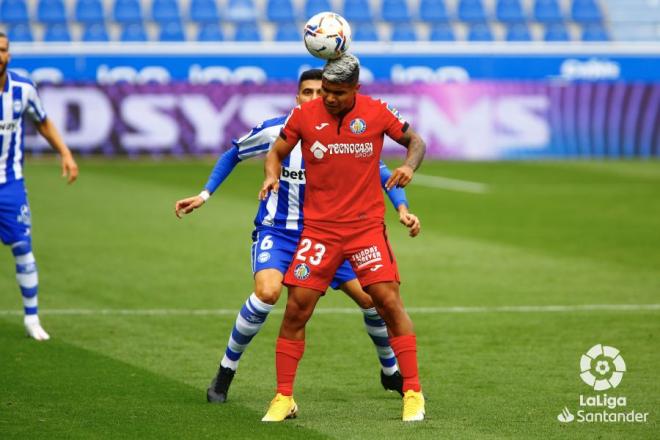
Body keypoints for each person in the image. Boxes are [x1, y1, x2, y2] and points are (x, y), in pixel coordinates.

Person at [174, 69, 421, 404]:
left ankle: (390, 370)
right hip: (280, 231)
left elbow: (378, 171)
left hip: (331, 232)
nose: (317, 98)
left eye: (322, 92)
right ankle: (226, 371)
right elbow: (233, 153)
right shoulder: (278, 130)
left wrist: (402, 208)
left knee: (371, 299)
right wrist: (204, 195)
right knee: (267, 293)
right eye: (308, 92)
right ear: (297, 97)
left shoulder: (344, 131)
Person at [259, 54, 427, 422]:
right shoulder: (304, 115)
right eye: (326, 92)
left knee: (387, 303)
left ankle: (413, 391)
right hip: (319, 232)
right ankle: (283, 397)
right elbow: (276, 152)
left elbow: (415, 141)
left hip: (365, 229)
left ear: (356, 89)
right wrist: (271, 175)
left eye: (337, 92)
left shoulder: (377, 111)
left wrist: (408, 166)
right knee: (296, 311)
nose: (329, 98)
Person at [0, 32, 79, 341]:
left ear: (9, 55)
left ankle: (32, 318)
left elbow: (43, 121)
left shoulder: (23, 89)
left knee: (23, 249)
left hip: (10, 185)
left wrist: (65, 152)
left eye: (3, 49)